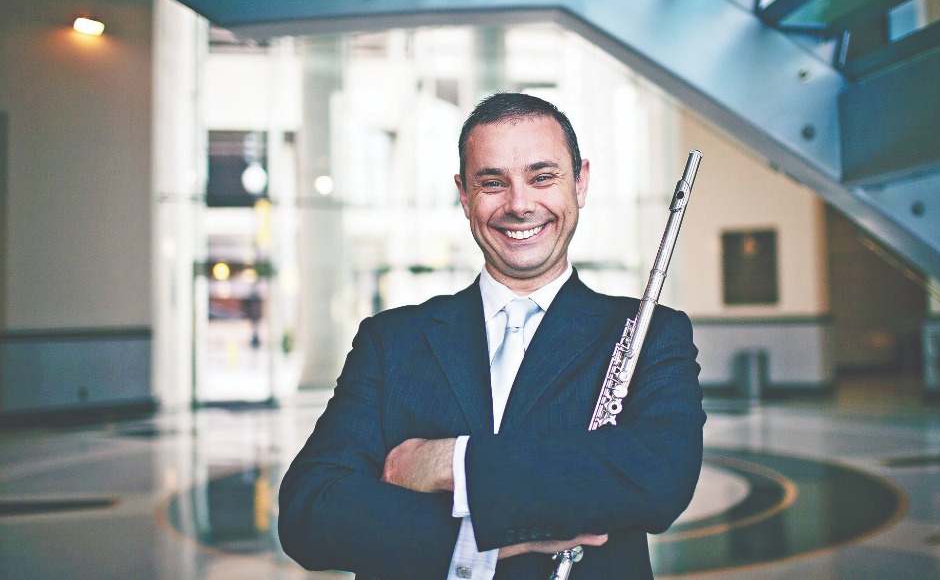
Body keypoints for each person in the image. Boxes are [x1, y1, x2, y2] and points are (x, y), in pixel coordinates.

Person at [278, 92, 704, 579]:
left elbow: (658, 479)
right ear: (464, 195)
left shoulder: (655, 333)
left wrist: (449, 462)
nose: (519, 205)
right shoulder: (389, 341)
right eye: (493, 183)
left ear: (580, 182)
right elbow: (310, 511)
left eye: (542, 177)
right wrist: (474, 542)